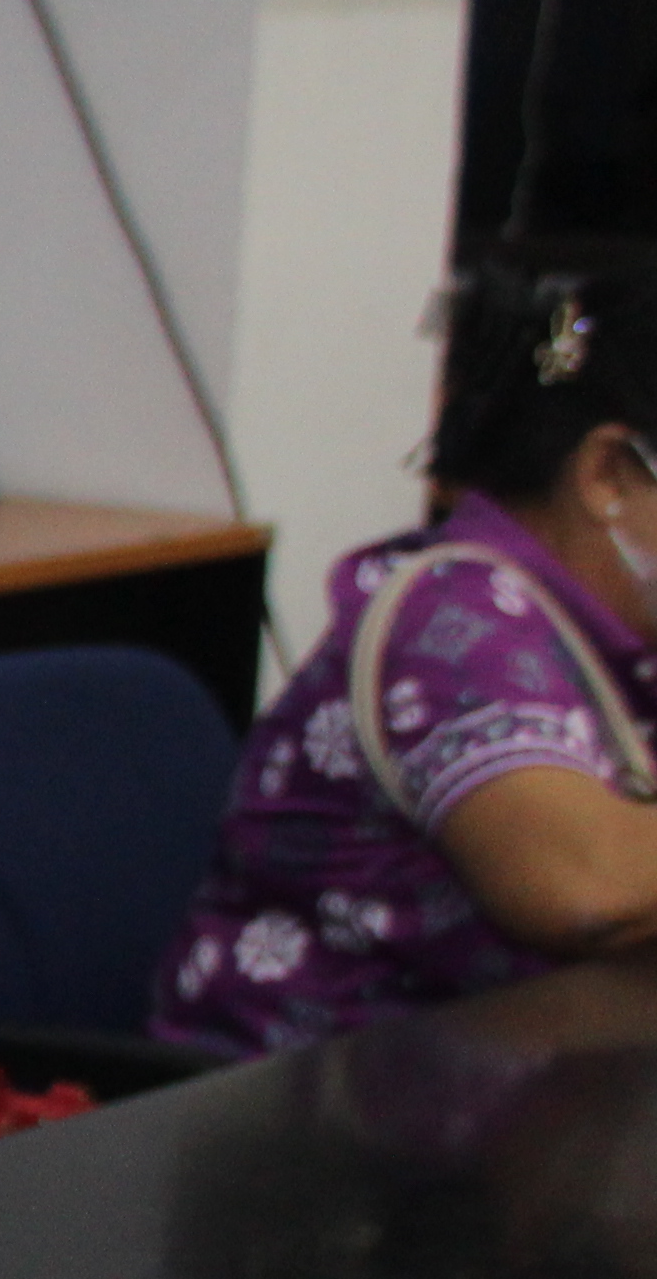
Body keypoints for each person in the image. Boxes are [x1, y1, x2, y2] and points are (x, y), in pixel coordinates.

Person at [162, 252, 657, 1056]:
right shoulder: (456, 627)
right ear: (606, 474)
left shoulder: (625, 631)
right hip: (310, 1102)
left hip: (524, 1086)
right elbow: (583, 887)